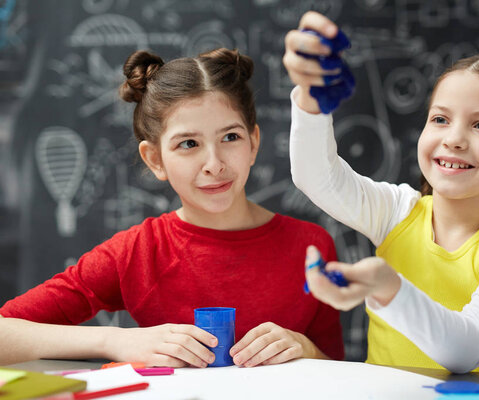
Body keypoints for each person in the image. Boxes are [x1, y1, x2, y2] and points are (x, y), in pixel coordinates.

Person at [0, 48, 344, 368]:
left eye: (230, 137)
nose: (214, 164)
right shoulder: (136, 252)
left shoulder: (312, 246)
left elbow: (341, 371)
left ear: (253, 143)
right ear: (155, 159)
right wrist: (114, 340)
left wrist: (307, 349)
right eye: (188, 144)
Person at [283, 11, 479, 375]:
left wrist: (387, 285)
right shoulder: (397, 211)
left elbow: (466, 351)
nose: (454, 139)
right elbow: (317, 176)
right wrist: (311, 97)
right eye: (440, 119)